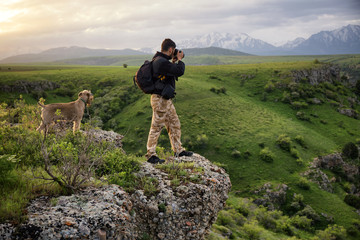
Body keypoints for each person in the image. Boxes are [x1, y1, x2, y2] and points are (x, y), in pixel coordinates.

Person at [145, 38, 193, 164]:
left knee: (174, 123)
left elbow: (171, 72)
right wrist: (180, 60)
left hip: (165, 99)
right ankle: (151, 155)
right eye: (174, 50)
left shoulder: (160, 60)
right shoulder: (161, 62)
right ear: (171, 49)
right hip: (160, 99)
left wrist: (174, 60)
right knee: (156, 126)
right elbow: (179, 71)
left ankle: (178, 150)